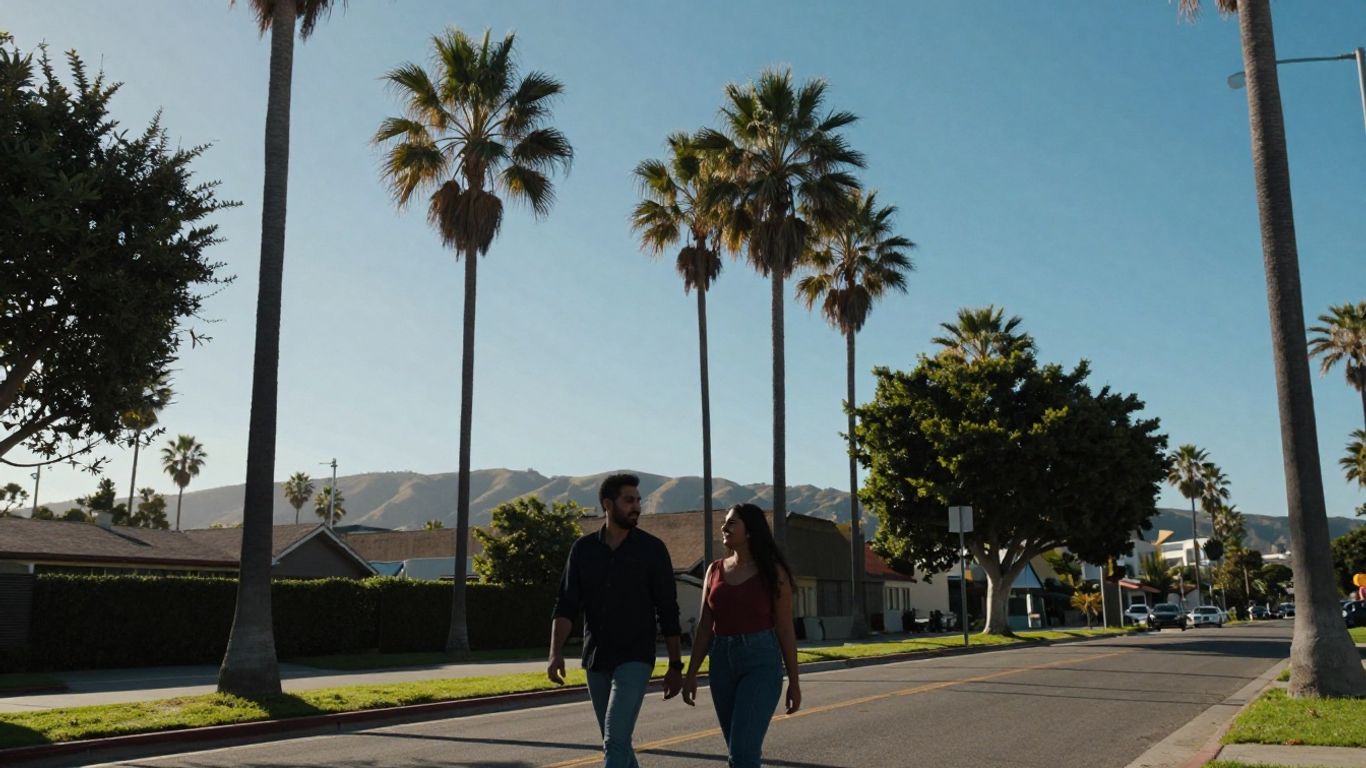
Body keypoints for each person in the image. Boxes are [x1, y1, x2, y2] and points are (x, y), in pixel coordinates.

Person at [548, 473, 683, 767]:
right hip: (596, 659)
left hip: (635, 657)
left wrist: (675, 665)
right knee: (617, 743)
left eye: (638, 500)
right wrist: (555, 654)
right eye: (629, 500)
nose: (637, 507)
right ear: (607, 504)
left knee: (614, 740)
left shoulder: (652, 549)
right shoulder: (582, 550)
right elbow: (566, 604)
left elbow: (668, 610)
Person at [682, 503, 800, 768]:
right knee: (738, 751)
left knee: (742, 753)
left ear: (750, 531)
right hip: (721, 663)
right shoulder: (713, 571)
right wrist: (691, 674)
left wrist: (794, 681)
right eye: (725, 522)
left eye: (732, 522)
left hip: (760, 662)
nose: (724, 527)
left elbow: (784, 628)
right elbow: (704, 627)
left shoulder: (773, 572)